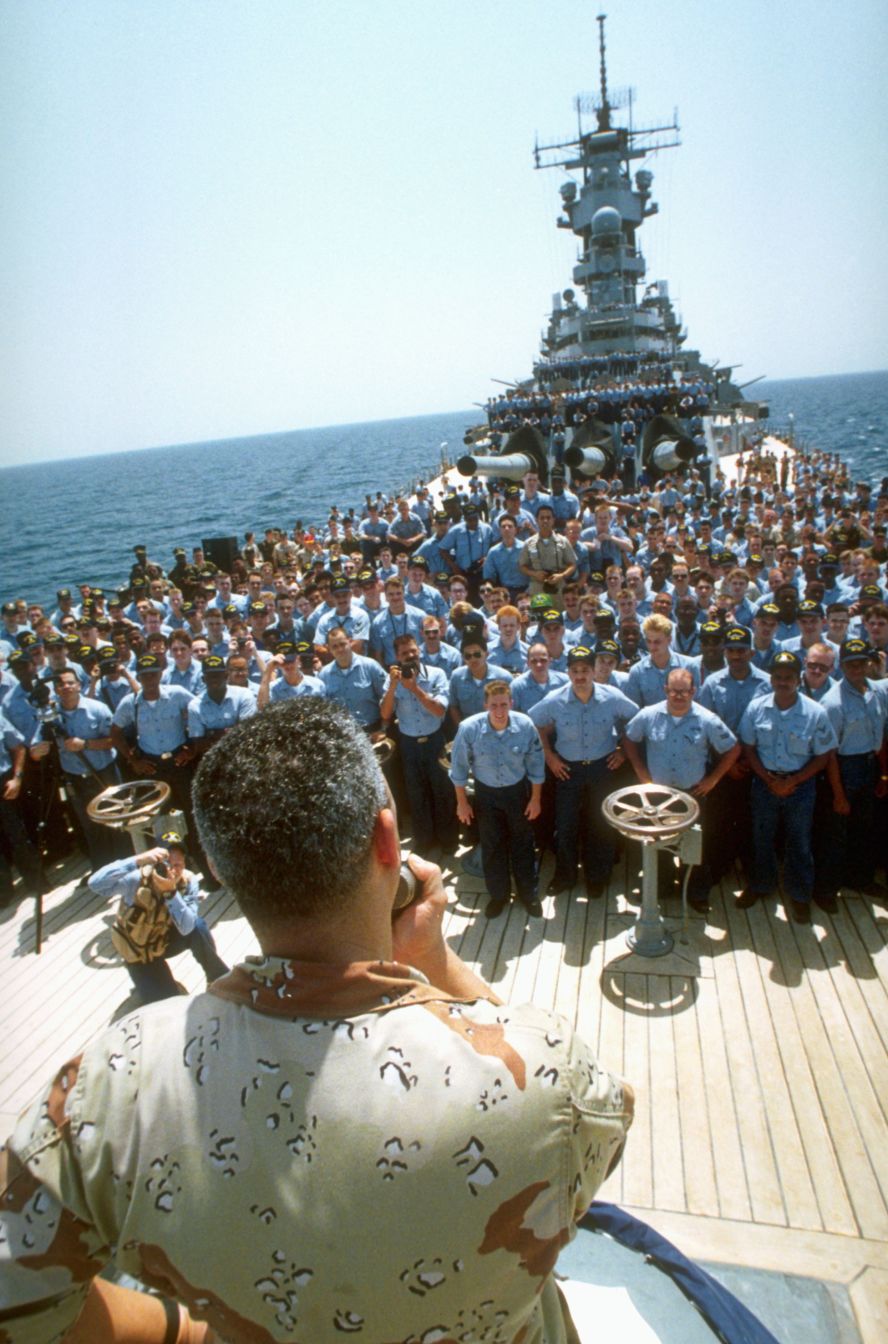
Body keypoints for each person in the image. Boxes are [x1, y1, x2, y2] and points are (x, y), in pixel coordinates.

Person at [0, 699, 633, 1341]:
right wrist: (434, 961)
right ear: (388, 841)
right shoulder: (546, 1073)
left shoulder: (114, 1081)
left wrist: (186, 1332)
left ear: (220, 868)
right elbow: (603, 1129)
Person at [623, 667, 740, 912]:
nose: (678, 696)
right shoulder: (648, 715)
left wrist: (713, 780)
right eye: (674, 691)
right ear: (665, 690)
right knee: (657, 843)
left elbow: (733, 749)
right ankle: (662, 887)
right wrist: (642, 776)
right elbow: (629, 740)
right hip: (658, 796)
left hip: (693, 794)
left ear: (693, 691)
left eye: (684, 691)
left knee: (695, 845)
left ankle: (696, 893)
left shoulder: (707, 720)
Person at [737, 651, 838, 922]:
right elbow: (748, 747)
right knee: (762, 838)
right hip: (764, 783)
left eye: (789, 677)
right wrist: (768, 779)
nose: (783, 682)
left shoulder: (815, 712)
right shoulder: (756, 707)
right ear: (771, 679)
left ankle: (800, 894)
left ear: (798, 679)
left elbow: (824, 755)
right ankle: (761, 885)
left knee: (800, 842)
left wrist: (793, 781)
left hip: (800, 786)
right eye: (778, 677)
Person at [530, 645, 636, 898]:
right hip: (568, 771)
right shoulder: (555, 700)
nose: (580, 676)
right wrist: (550, 757)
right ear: (567, 672)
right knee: (565, 826)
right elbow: (533, 725)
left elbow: (637, 720)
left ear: (594, 670)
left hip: (602, 769)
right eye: (575, 670)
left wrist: (622, 751)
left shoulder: (612, 697)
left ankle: (597, 878)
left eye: (585, 670)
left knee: (600, 824)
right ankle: (565, 876)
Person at [87, 830, 228, 1004]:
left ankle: (218, 979)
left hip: (169, 939)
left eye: (178, 864)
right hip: (141, 950)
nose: (173, 870)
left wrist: (170, 892)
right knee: (167, 1004)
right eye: (167, 862)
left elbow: (187, 927)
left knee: (198, 926)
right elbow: (96, 883)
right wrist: (137, 860)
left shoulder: (188, 881)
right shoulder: (136, 879)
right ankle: (150, 985)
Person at [450, 680, 545, 918]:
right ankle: (498, 896)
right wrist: (462, 802)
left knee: (523, 845)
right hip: (486, 795)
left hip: (517, 794)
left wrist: (535, 800)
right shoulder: (469, 728)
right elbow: (458, 768)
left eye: (504, 704)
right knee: (492, 848)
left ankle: (528, 894)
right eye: (494, 705)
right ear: (485, 705)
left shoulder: (525, 726)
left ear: (511, 703)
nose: (500, 710)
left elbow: (536, 766)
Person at [380, 632, 457, 856]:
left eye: (413, 651)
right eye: (404, 653)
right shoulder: (392, 679)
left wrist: (414, 687)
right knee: (416, 793)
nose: (410, 656)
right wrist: (394, 686)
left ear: (419, 650)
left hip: (434, 741)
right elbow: (385, 713)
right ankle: (424, 840)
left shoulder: (437, 674)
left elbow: (439, 710)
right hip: (409, 744)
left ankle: (448, 839)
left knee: (443, 791)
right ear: (397, 656)